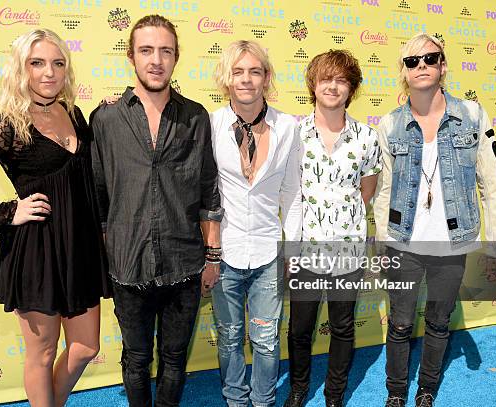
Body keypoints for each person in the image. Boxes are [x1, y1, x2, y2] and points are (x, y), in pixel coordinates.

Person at [0, 29, 111, 407]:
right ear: (21, 70)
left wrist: (110, 114)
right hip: (36, 250)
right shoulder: (8, 125)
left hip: (79, 247)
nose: (49, 72)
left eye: (58, 63)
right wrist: (8, 211)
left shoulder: (74, 114)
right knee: (42, 355)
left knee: (85, 347)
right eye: (38, 63)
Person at [89, 14, 223, 407]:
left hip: (184, 262)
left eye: (165, 51)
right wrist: (106, 256)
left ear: (176, 58)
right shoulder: (106, 119)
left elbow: (208, 189)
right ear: (131, 56)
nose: (156, 60)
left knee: (175, 360)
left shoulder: (195, 115)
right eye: (146, 50)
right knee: (135, 359)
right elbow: (99, 196)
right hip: (127, 266)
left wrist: (212, 256)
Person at [372, 33, 496, 407]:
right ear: (403, 71)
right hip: (404, 243)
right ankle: (395, 394)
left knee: (438, 321)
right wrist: (385, 242)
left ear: (443, 66)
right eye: (412, 61)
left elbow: (493, 186)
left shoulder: (473, 116)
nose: (422, 66)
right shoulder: (389, 126)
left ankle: (426, 390)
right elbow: (383, 192)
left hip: (453, 242)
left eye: (430, 58)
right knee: (399, 324)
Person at [284, 50, 381, 407]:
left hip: (348, 249)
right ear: (313, 83)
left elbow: (367, 189)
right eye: (326, 78)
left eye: (341, 80)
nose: (333, 86)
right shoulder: (293, 135)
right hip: (305, 249)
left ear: (351, 88)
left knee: (342, 327)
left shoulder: (367, 138)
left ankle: (335, 394)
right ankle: (298, 389)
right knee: (299, 330)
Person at [209, 40, 302, 407]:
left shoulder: (287, 127)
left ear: (266, 77)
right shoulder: (211, 124)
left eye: (254, 71)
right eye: (238, 71)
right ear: (227, 79)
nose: (246, 79)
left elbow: (292, 193)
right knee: (229, 336)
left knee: (266, 339)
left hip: (268, 252)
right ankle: (235, 399)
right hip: (224, 252)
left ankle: (263, 401)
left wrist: (293, 249)